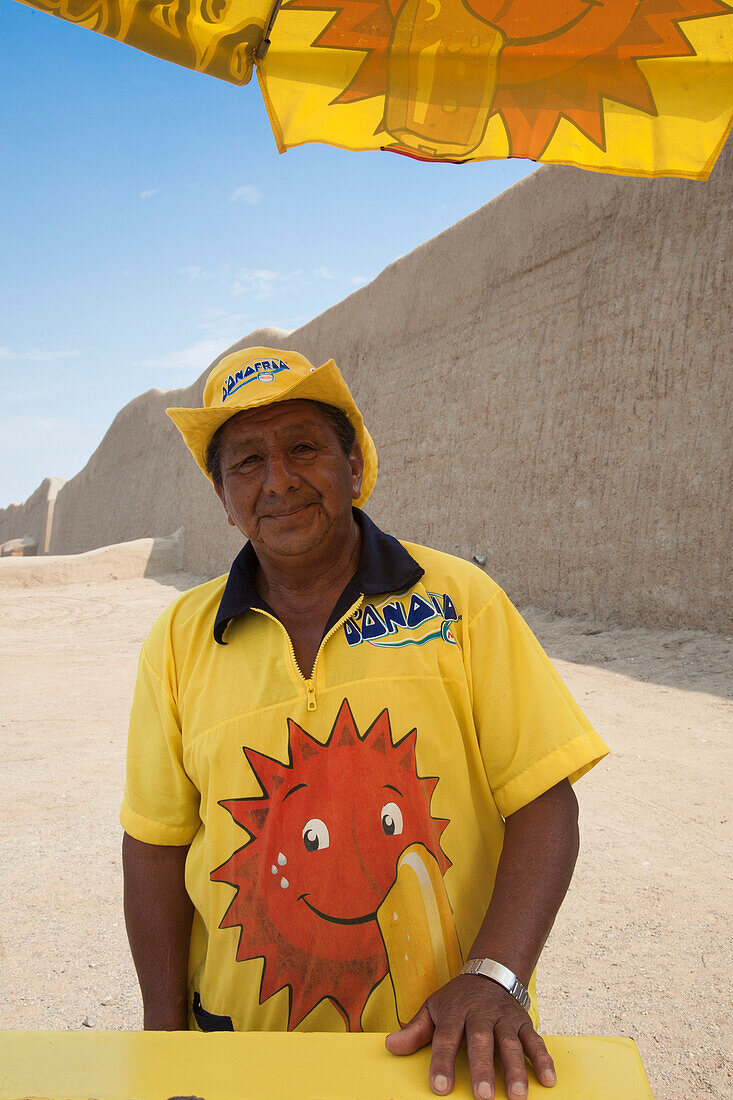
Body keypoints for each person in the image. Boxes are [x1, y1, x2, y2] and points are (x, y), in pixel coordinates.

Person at [121, 346, 608, 1100]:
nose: (278, 480)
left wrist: (494, 980)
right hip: (239, 1057)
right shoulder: (180, 641)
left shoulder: (457, 602)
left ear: (354, 466)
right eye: (246, 462)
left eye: (303, 448)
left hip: (439, 1051)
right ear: (222, 496)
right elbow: (155, 846)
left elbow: (543, 801)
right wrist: (164, 1047)